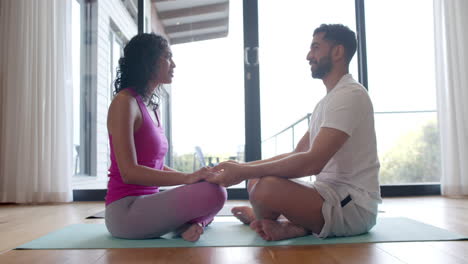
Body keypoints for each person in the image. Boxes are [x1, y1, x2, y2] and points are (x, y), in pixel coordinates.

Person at [207, 24, 381, 241]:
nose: (309, 55)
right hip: (327, 194)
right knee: (256, 181)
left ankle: (288, 223)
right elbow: (298, 153)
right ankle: (292, 225)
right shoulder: (327, 101)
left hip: (354, 206)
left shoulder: (350, 95)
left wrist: (242, 172)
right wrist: (243, 169)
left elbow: (312, 162)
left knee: (266, 187)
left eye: (316, 47)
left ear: (338, 52)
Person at [105, 33, 227, 242]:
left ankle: (190, 225)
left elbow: (155, 166)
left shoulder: (152, 107)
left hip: (150, 202)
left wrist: (194, 177)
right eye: (168, 57)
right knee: (213, 195)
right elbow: (129, 172)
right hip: (125, 211)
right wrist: (187, 179)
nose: (174, 64)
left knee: (216, 188)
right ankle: (187, 224)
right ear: (149, 60)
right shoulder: (124, 102)